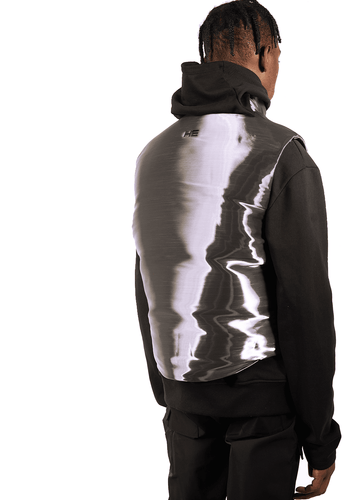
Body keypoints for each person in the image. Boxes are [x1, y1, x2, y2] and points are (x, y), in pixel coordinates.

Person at [132, 1, 341, 498]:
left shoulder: (154, 153)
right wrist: (320, 438)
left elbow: (146, 280)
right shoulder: (280, 152)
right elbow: (305, 303)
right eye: (279, 57)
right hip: (261, 405)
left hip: (183, 400)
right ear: (266, 54)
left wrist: (169, 391)